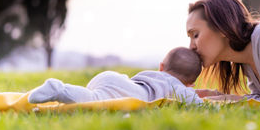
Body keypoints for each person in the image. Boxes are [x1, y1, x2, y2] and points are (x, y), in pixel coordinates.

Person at [28, 47, 203, 104]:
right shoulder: (178, 88)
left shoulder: (156, 75)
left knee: (92, 94)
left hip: (113, 78)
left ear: (162, 67)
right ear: (190, 84)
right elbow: (195, 102)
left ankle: (67, 90)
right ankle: (58, 89)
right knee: (92, 99)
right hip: (130, 92)